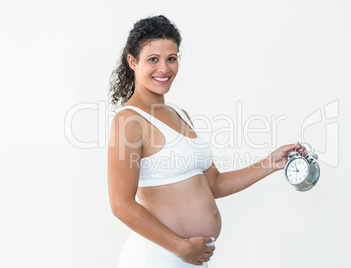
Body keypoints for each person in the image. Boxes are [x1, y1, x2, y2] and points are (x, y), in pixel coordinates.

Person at [107, 15, 306, 268]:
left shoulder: (179, 114)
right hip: (158, 257)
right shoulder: (129, 122)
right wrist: (180, 247)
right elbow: (120, 205)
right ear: (133, 61)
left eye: (171, 58)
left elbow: (214, 183)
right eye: (153, 59)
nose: (164, 68)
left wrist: (272, 162)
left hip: (190, 258)